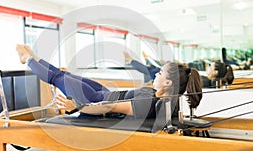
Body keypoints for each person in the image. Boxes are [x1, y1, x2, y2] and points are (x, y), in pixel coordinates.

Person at [16, 44, 202, 120]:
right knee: (64, 74)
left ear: (168, 83)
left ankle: (29, 59)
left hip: (95, 100)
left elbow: (109, 108)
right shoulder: (160, 97)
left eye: (160, 73)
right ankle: (34, 57)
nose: (156, 74)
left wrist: (77, 106)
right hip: (101, 92)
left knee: (59, 78)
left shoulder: (149, 102)